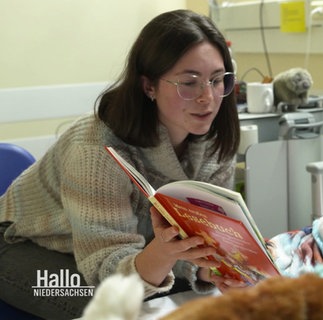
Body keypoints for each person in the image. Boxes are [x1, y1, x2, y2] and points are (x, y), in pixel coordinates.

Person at [0, 9, 244, 319]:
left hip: (120, 251)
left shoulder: (216, 142)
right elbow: (108, 270)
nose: (207, 98)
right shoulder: (96, 149)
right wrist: (163, 254)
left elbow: (196, 243)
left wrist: (213, 269)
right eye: (189, 82)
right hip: (20, 244)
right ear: (149, 86)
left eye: (216, 80)